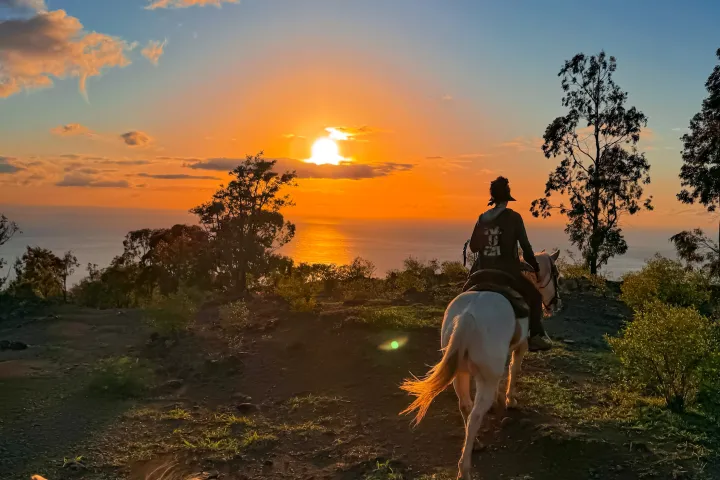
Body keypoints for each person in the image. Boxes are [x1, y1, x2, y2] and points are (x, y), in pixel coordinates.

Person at [467, 176, 553, 352]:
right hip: (507, 273)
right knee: (536, 298)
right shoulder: (514, 217)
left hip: (482, 271)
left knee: (463, 293)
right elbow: (526, 248)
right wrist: (535, 267)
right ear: (507, 198)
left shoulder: (482, 218)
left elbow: (474, 247)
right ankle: (535, 337)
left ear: (493, 197)